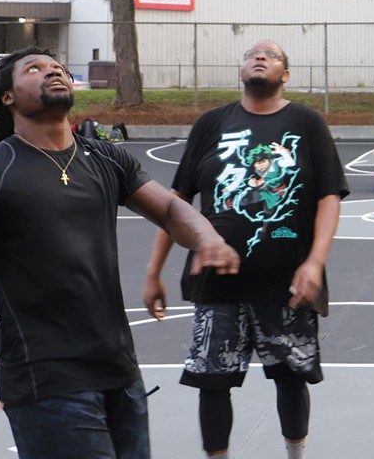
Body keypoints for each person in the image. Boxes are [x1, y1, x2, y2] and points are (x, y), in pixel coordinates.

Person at [0, 47, 240, 459]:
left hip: (120, 372)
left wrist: (207, 238)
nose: (52, 72)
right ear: (7, 98)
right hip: (47, 382)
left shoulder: (105, 157)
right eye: (34, 69)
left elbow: (169, 207)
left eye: (57, 68)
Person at [143, 40, 348, 459]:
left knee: (291, 377)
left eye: (271, 56)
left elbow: (329, 197)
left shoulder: (306, 123)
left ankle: (296, 454)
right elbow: (175, 202)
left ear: (284, 75)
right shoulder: (211, 124)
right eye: (252, 54)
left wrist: (315, 262)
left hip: (287, 281)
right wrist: (152, 272)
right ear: (240, 70)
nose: (260, 58)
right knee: (212, 381)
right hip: (216, 282)